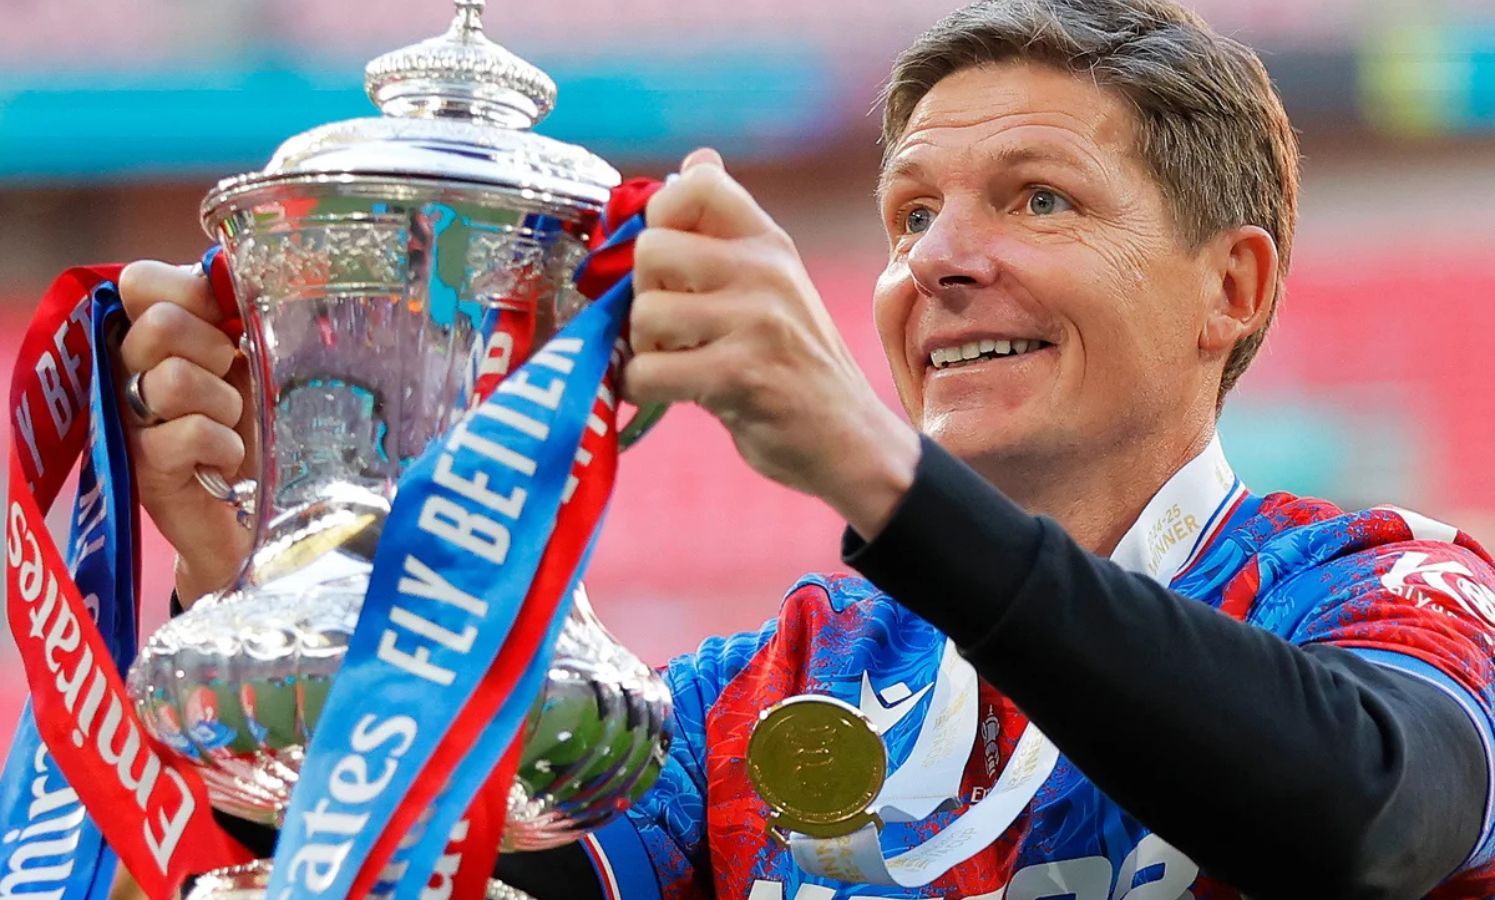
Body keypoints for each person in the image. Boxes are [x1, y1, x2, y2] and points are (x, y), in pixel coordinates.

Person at [115, 0, 1495, 897]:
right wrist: (278, 580)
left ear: (1233, 288)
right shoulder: (772, 686)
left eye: (1037, 198)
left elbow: (1370, 824)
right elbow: (425, 869)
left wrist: (877, 473)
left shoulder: (1386, 594)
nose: (941, 262)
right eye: (908, 217)